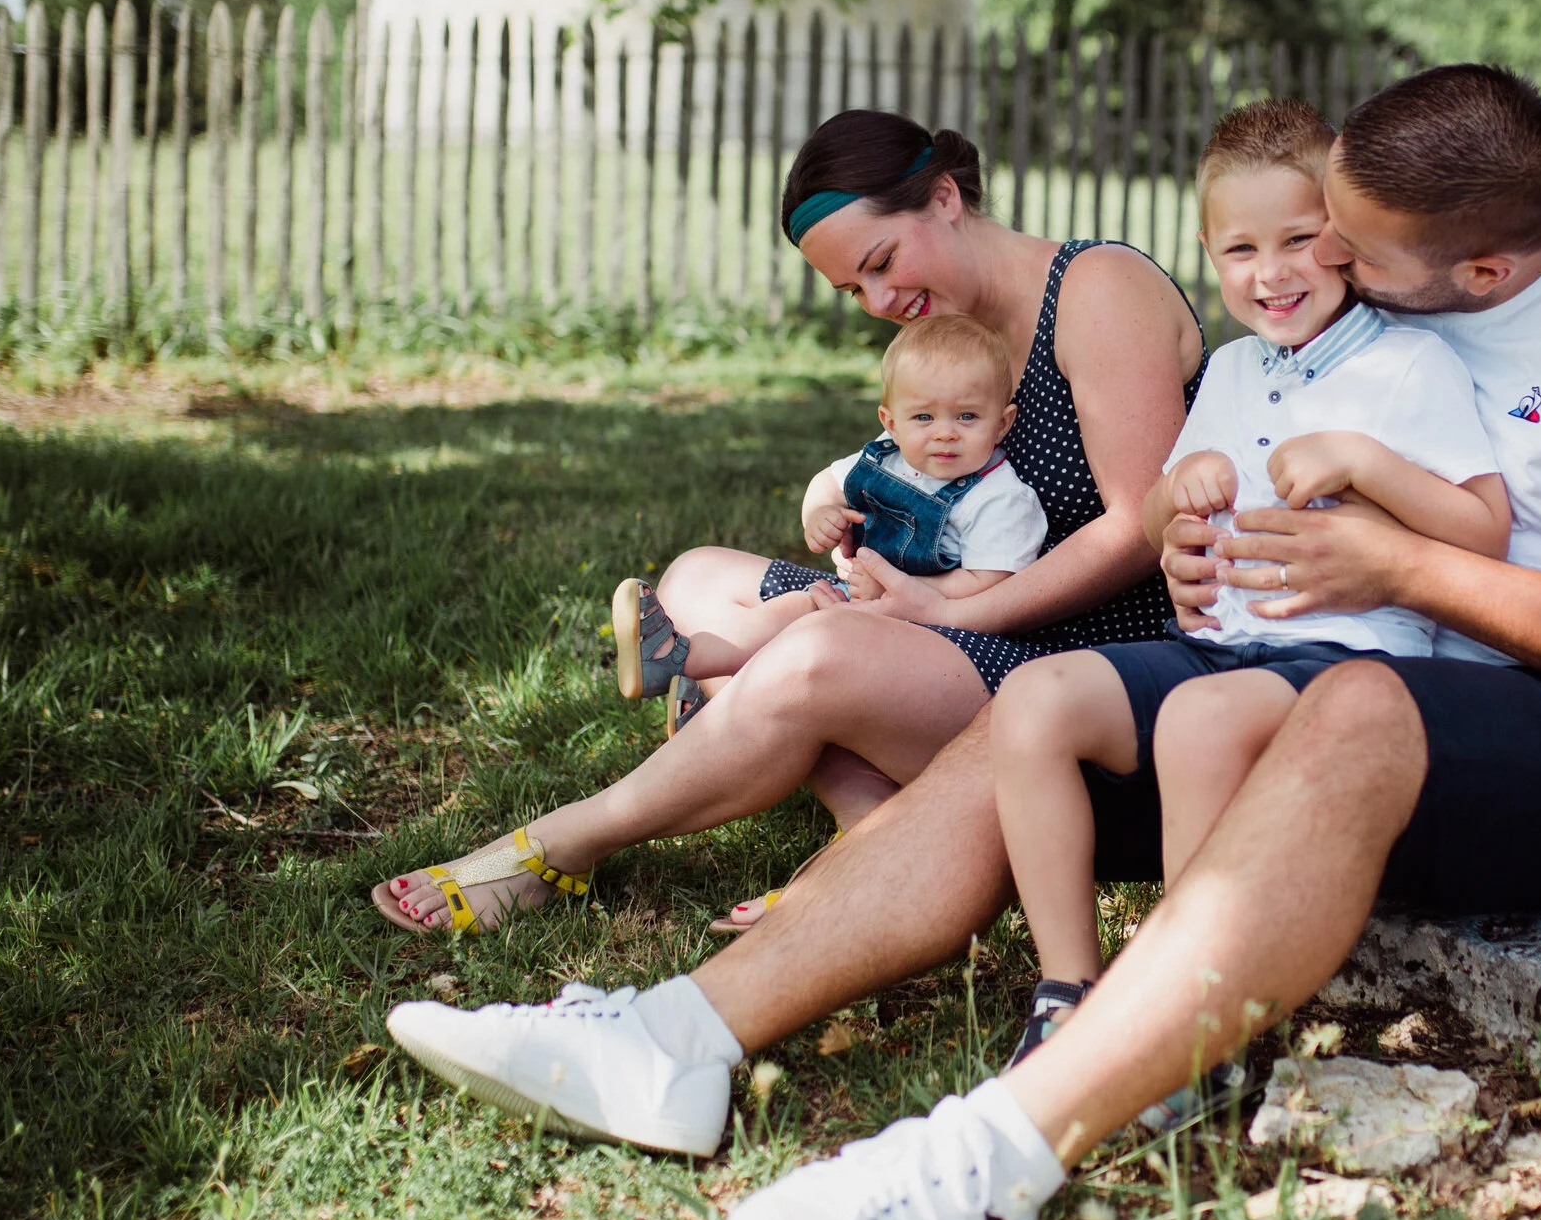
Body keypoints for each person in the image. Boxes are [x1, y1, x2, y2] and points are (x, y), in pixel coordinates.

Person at [381, 66, 1541, 1220]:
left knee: (1351, 707)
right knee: (1040, 706)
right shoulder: (1347, 291)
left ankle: (997, 1150)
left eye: (1353, 250)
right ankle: (678, 1036)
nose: (1318, 263)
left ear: (1476, 274)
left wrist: (1398, 560)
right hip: (1290, 662)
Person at [367, 109, 1203, 936]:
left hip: (1090, 663)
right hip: (947, 621)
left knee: (812, 653)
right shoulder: (951, 335)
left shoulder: (1097, 288)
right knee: (696, 583)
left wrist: (945, 612)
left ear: (945, 197)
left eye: (881, 262)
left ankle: (567, 841)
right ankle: (872, 845)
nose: (879, 300)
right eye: (854, 289)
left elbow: (1139, 527)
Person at [988, 100, 1507, 1095]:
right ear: (1207, 252)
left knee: (1195, 720)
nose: (1272, 272)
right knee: (1033, 701)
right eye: (1240, 247)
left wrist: (1368, 462)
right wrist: (1173, 504)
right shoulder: (1229, 368)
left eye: (1301, 239)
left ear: (1345, 238)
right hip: (1221, 641)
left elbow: (1481, 526)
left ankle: (1193, 1027)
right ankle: (1069, 989)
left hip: (1347, 656)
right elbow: (1151, 517)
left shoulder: (1409, 366)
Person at [612, 314, 1049, 732]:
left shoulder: (1001, 499)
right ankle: (683, 663)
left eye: (967, 416)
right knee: (801, 606)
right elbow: (827, 482)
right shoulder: (887, 456)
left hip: (936, 632)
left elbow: (990, 582)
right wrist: (820, 514)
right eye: (923, 417)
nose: (944, 433)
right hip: (863, 602)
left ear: (1002, 423)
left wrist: (904, 591)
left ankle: (712, 704)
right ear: (891, 423)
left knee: (812, 627)